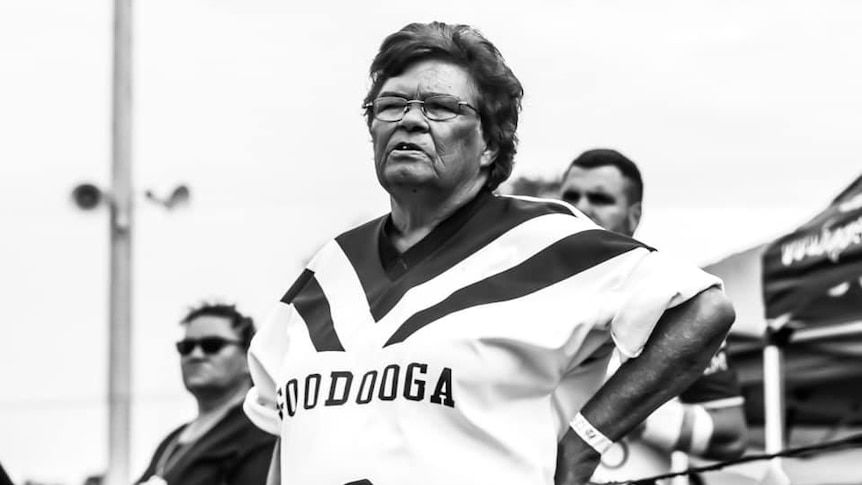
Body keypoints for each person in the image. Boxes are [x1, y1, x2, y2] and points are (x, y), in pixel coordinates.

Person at [243, 21, 736, 485]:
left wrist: (584, 443)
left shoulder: (547, 240)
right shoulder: (328, 270)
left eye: (440, 107)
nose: (411, 120)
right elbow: (285, 443)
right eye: (390, 105)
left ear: (489, 146)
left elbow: (703, 308)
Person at [558, 148, 748, 484]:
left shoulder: (678, 303)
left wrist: (624, 407)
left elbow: (731, 434)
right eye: (571, 196)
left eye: (600, 199)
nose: (582, 207)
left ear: (634, 215)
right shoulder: (527, 294)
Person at [136, 303, 276, 485]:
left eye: (212, 345)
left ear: (248, 359)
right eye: (186, 347)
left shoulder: (261, 426)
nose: (195, 354)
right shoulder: (171, 441)